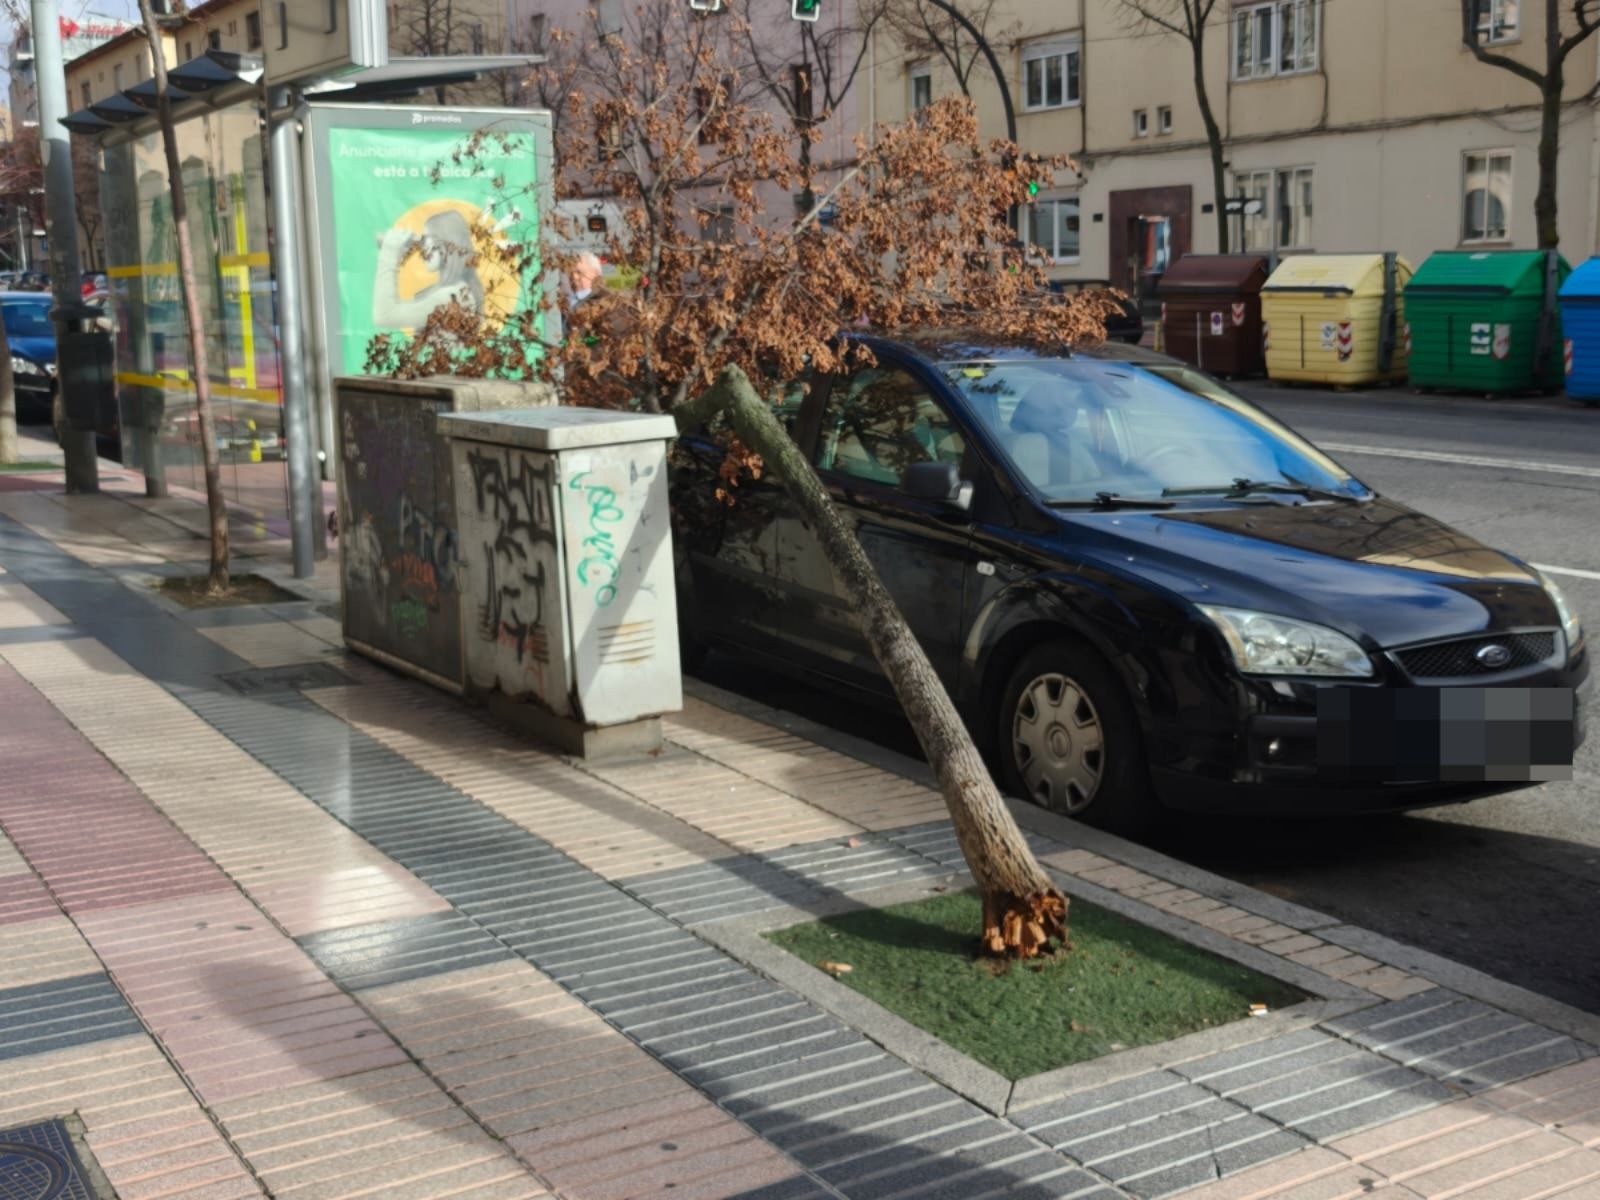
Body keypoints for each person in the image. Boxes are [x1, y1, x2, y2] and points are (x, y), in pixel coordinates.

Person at [372, 210, 485, 331]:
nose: (422, 248)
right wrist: (396, 251)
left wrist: (390, 250)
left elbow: (385, 316)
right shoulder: (459, 290)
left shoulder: (453, 297)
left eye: (426, 239)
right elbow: (400, 310)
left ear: (447, 245)